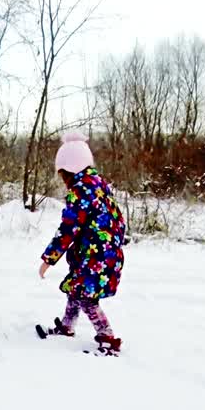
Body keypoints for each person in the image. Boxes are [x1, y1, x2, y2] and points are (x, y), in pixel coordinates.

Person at [38, 131, 126, 353]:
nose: (62, 179)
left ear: (68, 169)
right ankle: (67, 326)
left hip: (95, 256)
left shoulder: (80, 190)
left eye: (62, 174)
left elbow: (68, 228)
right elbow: (118, 220)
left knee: (86, 297)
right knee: (76, 290)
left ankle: (107, 336)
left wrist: (49, 259)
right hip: (105, 254)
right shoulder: (98, 184)